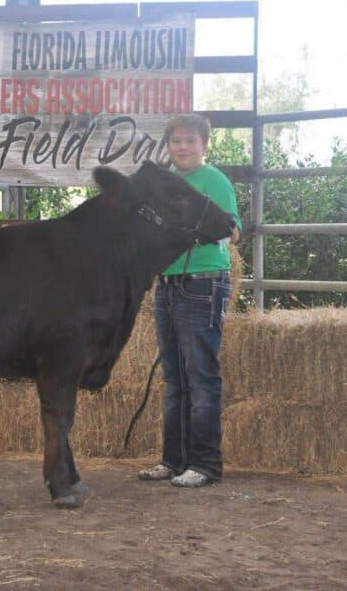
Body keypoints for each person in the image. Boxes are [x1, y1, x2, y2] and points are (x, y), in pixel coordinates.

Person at [138, 114, 241, 488]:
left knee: (200, 374)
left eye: (190, 141)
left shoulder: (214, 181)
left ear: (204, 145)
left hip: (202, 282)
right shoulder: (167, 185)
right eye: (176, 141)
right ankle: (174, 459)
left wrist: (191, 234)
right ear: (168, 146)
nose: (182, 147)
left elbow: (232, 232)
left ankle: (206, 463)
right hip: (167, 283)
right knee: (174, 377)